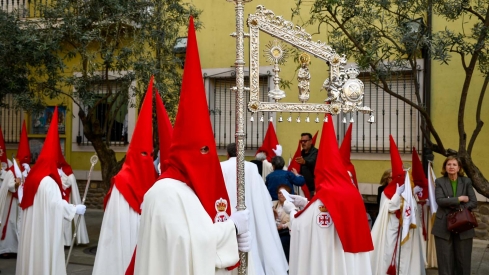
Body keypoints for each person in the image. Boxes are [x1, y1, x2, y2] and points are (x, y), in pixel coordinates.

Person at [133, 17, 250, 275]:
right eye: (202, 150)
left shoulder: (187, 189)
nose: (206, 157)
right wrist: (231, 229)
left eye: (208, 149)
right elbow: (187, 245)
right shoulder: (166, 191)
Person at [285, 114, 373, 275]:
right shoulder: (353, 194)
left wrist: (291, 209)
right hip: (349, 260)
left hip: (329, 255)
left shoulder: (324, 197)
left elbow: (302, 225)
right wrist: (306, 202)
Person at [93, 78, 156, 275]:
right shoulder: (121, 182)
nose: (147, 160)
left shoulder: (156, 183)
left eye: (150, 155)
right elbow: (115, 226)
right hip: (124, 250)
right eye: (143, 154)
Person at [16, 107, 86, 275]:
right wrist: (74, 209)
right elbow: (55, 205)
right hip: (43, 233)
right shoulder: (48, 182)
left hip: (33, 232)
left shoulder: (34, 177)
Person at [220, 143, 288, 275]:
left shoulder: (221, 166)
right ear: (242, 153)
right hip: (252, 211)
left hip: (228, 213)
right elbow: (261, 192)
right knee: (257, 239)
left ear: (227, 154)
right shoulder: (251, 167)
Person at [370, 136, 425, 275]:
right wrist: (397, 195)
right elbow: (388, 208)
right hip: (391, 226)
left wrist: (413, 195)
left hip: (406, 226)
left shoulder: (408, 190)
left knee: (406, 252)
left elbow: (413, 209)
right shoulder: (386, 192)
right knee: (389, 250)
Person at [431, 156, 477, 275]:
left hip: (463, 224)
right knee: (445, 261)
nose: (451, 167)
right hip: (443, 225)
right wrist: (460, 199)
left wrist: (455, 205)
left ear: (459, 168)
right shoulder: (440, 181)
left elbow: (473, 202)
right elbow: (440, 200)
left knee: (463, 261)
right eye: (448, 164)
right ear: (445, 167)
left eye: (454, 164)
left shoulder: (466, 181)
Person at [0, 120, 30, 258]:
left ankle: (19, 249)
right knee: (11, 223)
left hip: (20, 204)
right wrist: (17, 183)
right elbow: (10, 186)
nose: (24, 162)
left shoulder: (26, 170)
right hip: (10, 205)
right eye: (22, 160)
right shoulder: (11, 171)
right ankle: (7, 248)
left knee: (20, 224)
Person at [58, 149, 89, 246]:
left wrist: (60, 178)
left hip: (66, 198)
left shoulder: (67, 172)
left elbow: (68, 182)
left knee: (66, 219)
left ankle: (66, 242)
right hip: (58, 199)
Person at [294, 132, 318, 198]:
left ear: (310, 141)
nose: (303, 143)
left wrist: (305, 162)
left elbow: (313, 162)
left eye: (305, 141)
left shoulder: (316, 152)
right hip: (301, 187)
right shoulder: (301, 153)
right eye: (302, 141)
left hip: (312, 189)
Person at [273, 184, 292, 262]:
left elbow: (295, 220)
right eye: (279, 193)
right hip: (275, 232)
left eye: (283, 192)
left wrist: (283, 226)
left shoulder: (293, 205)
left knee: (283, 241)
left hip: (286, 232)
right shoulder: (273, 204)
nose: (281, 194)